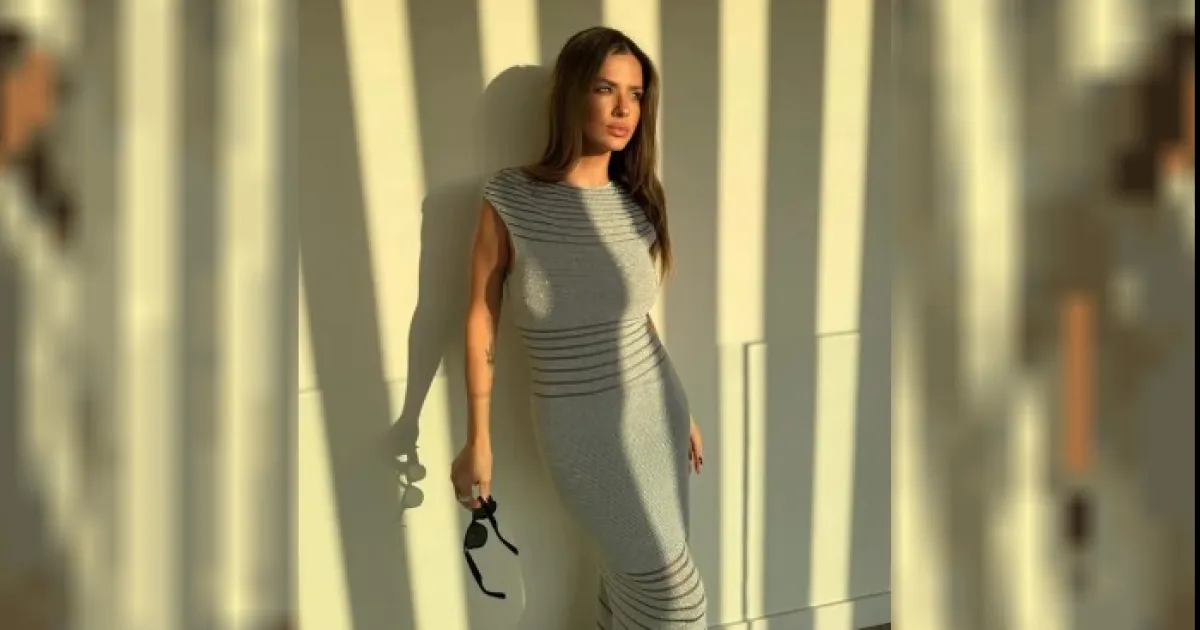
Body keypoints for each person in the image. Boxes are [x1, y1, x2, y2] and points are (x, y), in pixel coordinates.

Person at [449, 26, 708, 628]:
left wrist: (683, 408)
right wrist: (477, 438)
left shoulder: (639, 201)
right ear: (571, 94)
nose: (624, 109)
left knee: (630, 585)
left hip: (658, 412)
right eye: (605, 88)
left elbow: (631, 321)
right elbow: (481, 315)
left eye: (636, 94)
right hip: (579, 429)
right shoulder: (512, 196)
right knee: (674, 599)